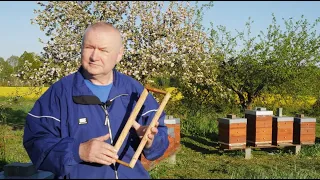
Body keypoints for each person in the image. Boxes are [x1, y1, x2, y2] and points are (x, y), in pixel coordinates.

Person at [23, 22, 169, 179]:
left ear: (119, 54)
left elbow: (160, 136)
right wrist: (78, 151)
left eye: (103, 50)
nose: (94, 57)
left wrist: (150, 141)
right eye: (89, 48)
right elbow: (36, 142)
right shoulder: (60, 93)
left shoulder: (135, 91)